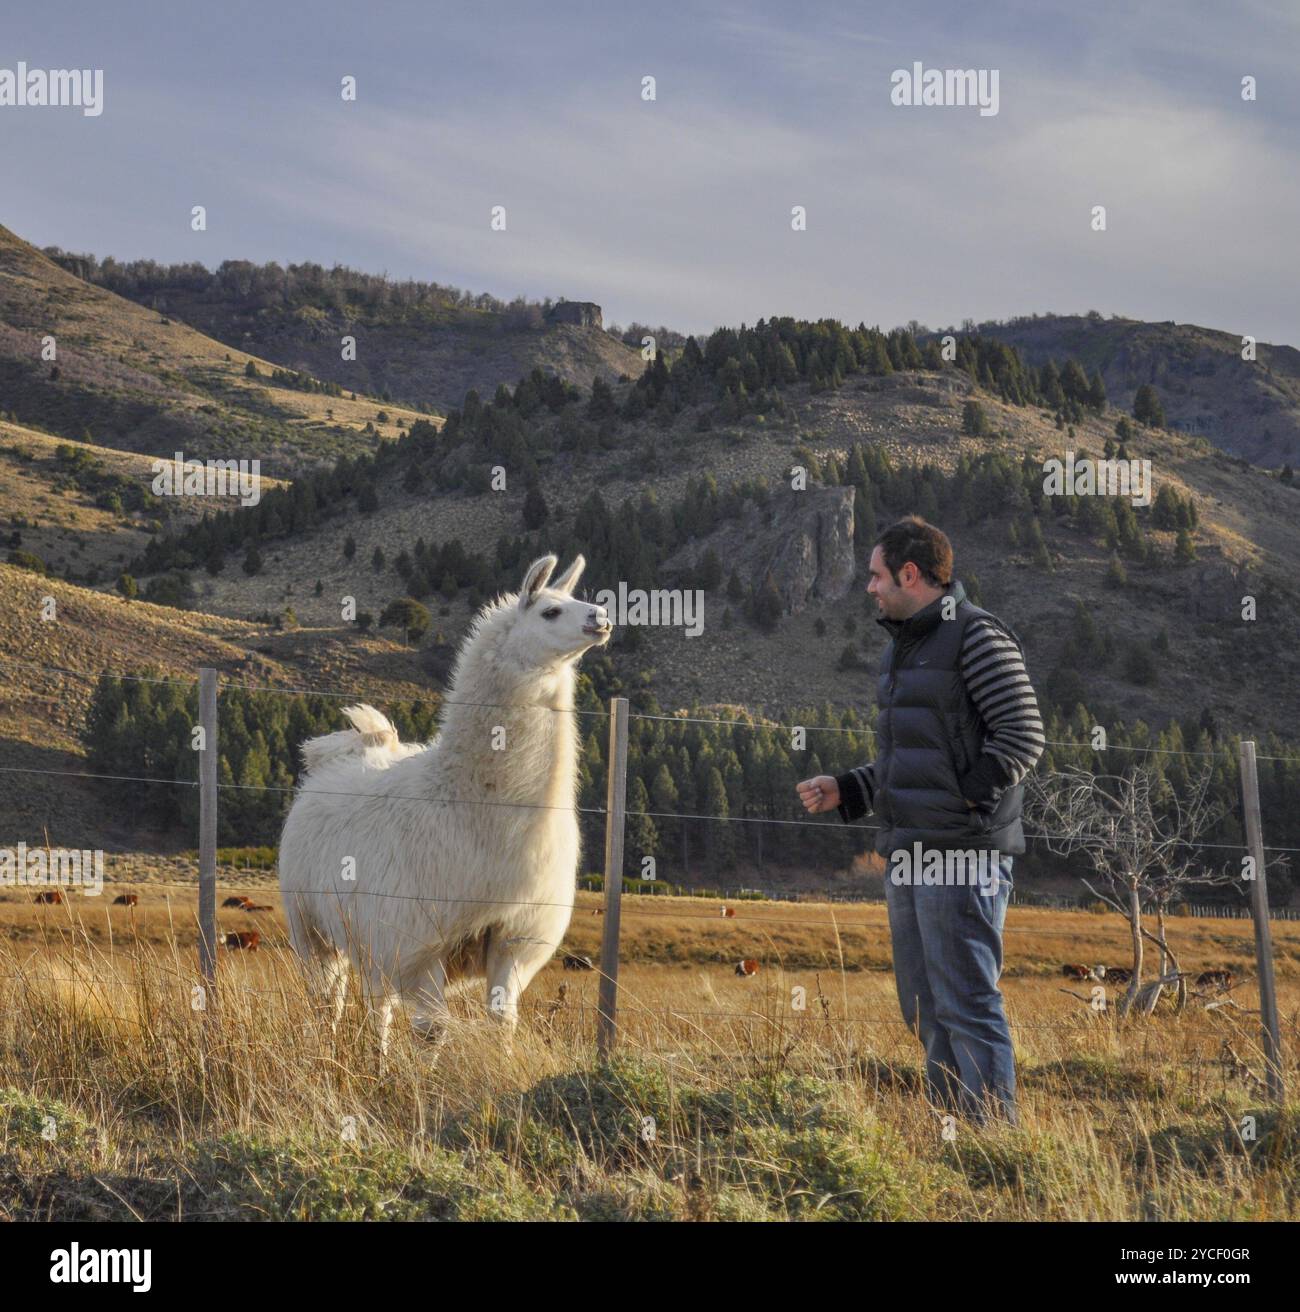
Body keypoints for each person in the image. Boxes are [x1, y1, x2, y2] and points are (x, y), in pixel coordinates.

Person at [797, 516, 1044, 1125]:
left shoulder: (977, 637)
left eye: (876, 575)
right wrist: (849, 789)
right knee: (925, 1008)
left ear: (911, 574)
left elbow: (1023, 736)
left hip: (962, 855)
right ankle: (952, 1135)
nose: (870, 588)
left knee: (965, 1004)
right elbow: (909, 761)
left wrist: (963, 803)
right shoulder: (902, 648)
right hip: (909, 854)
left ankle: (994, 1146)